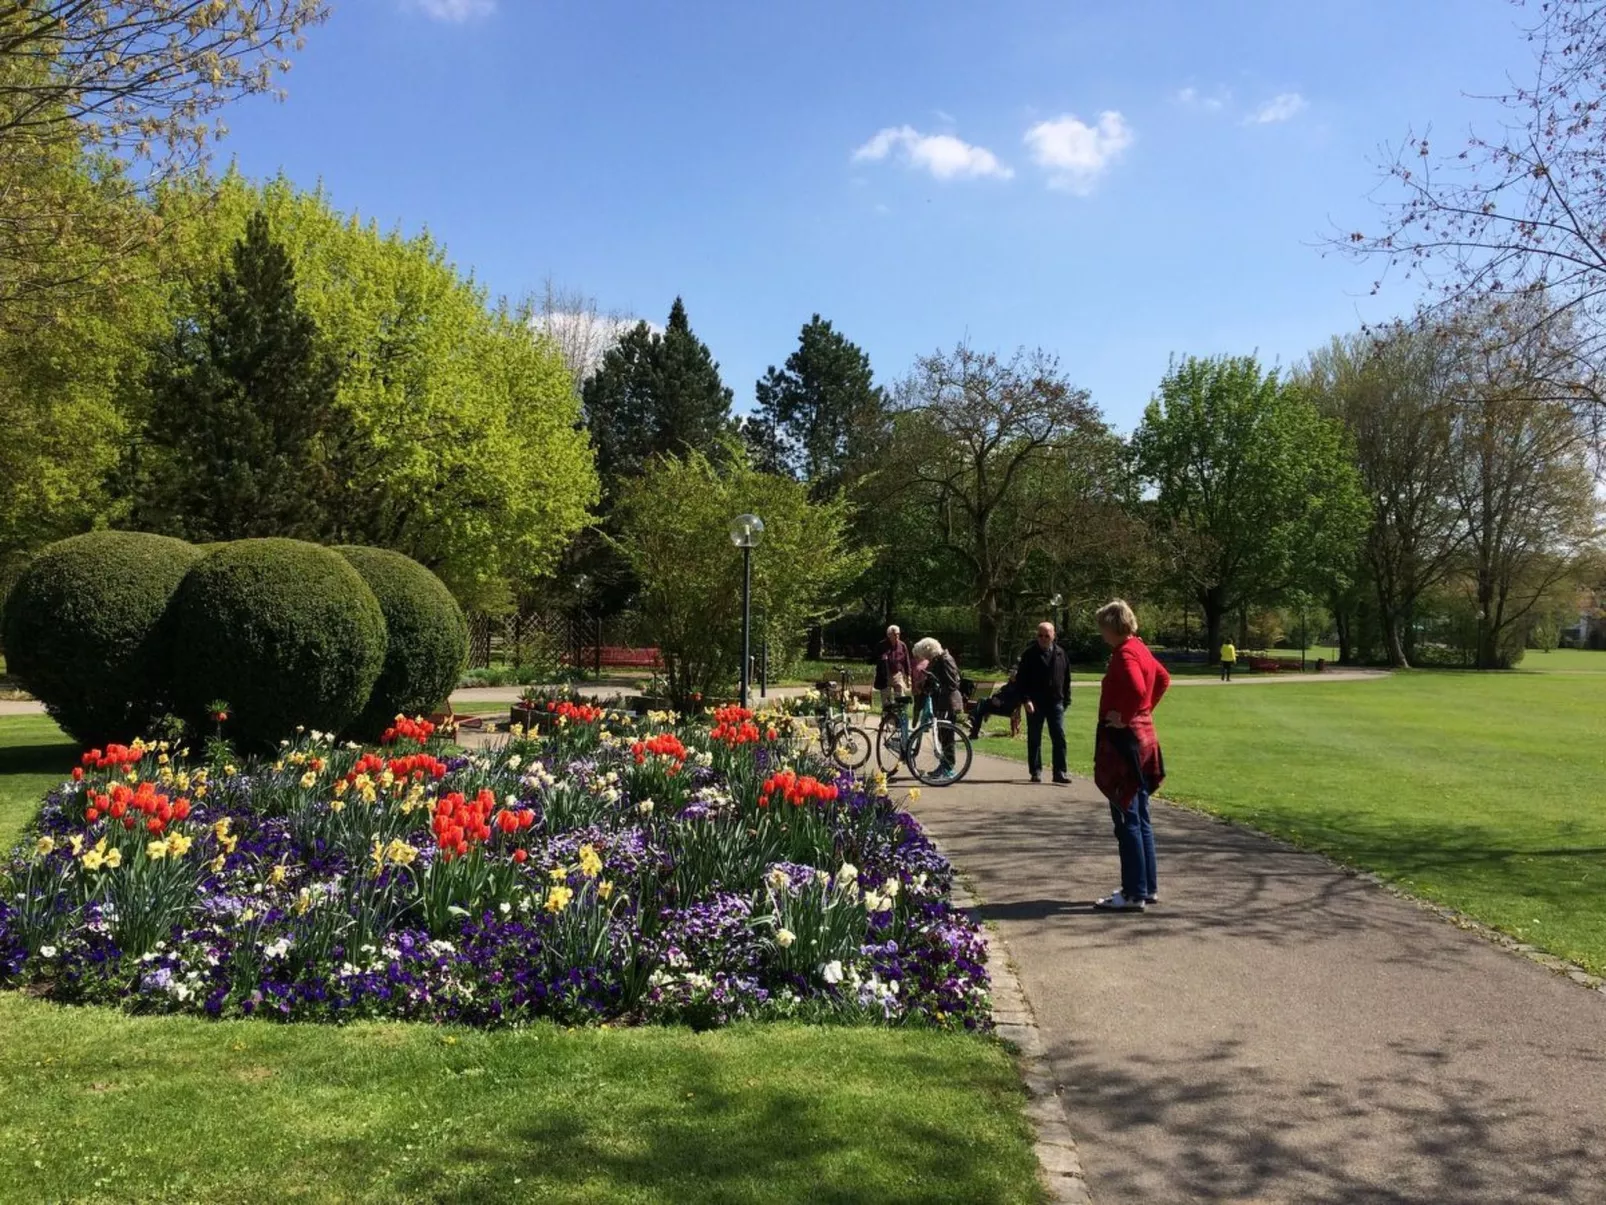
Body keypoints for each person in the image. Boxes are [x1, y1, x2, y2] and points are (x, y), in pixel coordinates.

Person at [1092, 599, 1170, 913]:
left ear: (1112, 627)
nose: (1101, 635)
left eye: (1102, 628)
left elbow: (1138, 688)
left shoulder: (1124, 654)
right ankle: (1146, 887)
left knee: (1127, 818)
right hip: (1144, 737)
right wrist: (1144, 712)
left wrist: (1126, 714)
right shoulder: (1140, 648)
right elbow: (1163, 679)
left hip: (1125, 741)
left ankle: (1133, 892)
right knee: (1140, 815)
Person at [1013, 621, 1071, 785]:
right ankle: (1035, 771)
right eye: (1040, 635)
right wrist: (1026, 700)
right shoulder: (1029, 654)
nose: (1044, 638)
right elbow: (1021, 681)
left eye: (1047, 635)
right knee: (1034, 738)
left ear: (1053, 635)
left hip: (1055, 702)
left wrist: (1066, 699)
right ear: (1036, 636)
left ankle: (1059, 772)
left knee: (1059, 736)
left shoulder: (1061, 653)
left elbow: (1066, 679)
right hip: (1035, 703)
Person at [911, 637, 963, 776]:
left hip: (948, 703)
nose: (925, 658)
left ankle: (948, 768)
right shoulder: (939, 660)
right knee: (941, 736)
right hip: (942, 702)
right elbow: (934, 678)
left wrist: (936, 686)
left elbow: (952, 683)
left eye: (925, 655)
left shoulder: (945, 660)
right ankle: (944, 766)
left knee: (947, 737)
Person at [873, 625, 913, 709]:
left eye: (898, 634)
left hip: (897, 674)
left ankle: (900, 717)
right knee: (886, 701)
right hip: (885, 675)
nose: (897, 636)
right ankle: (887, 719)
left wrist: (908, 676)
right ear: (889, 635)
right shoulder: (881, 645)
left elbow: (906, 661)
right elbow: (873, 658)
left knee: (900, 698)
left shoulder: (902, 645)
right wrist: (882, 658)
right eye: (894, 634)